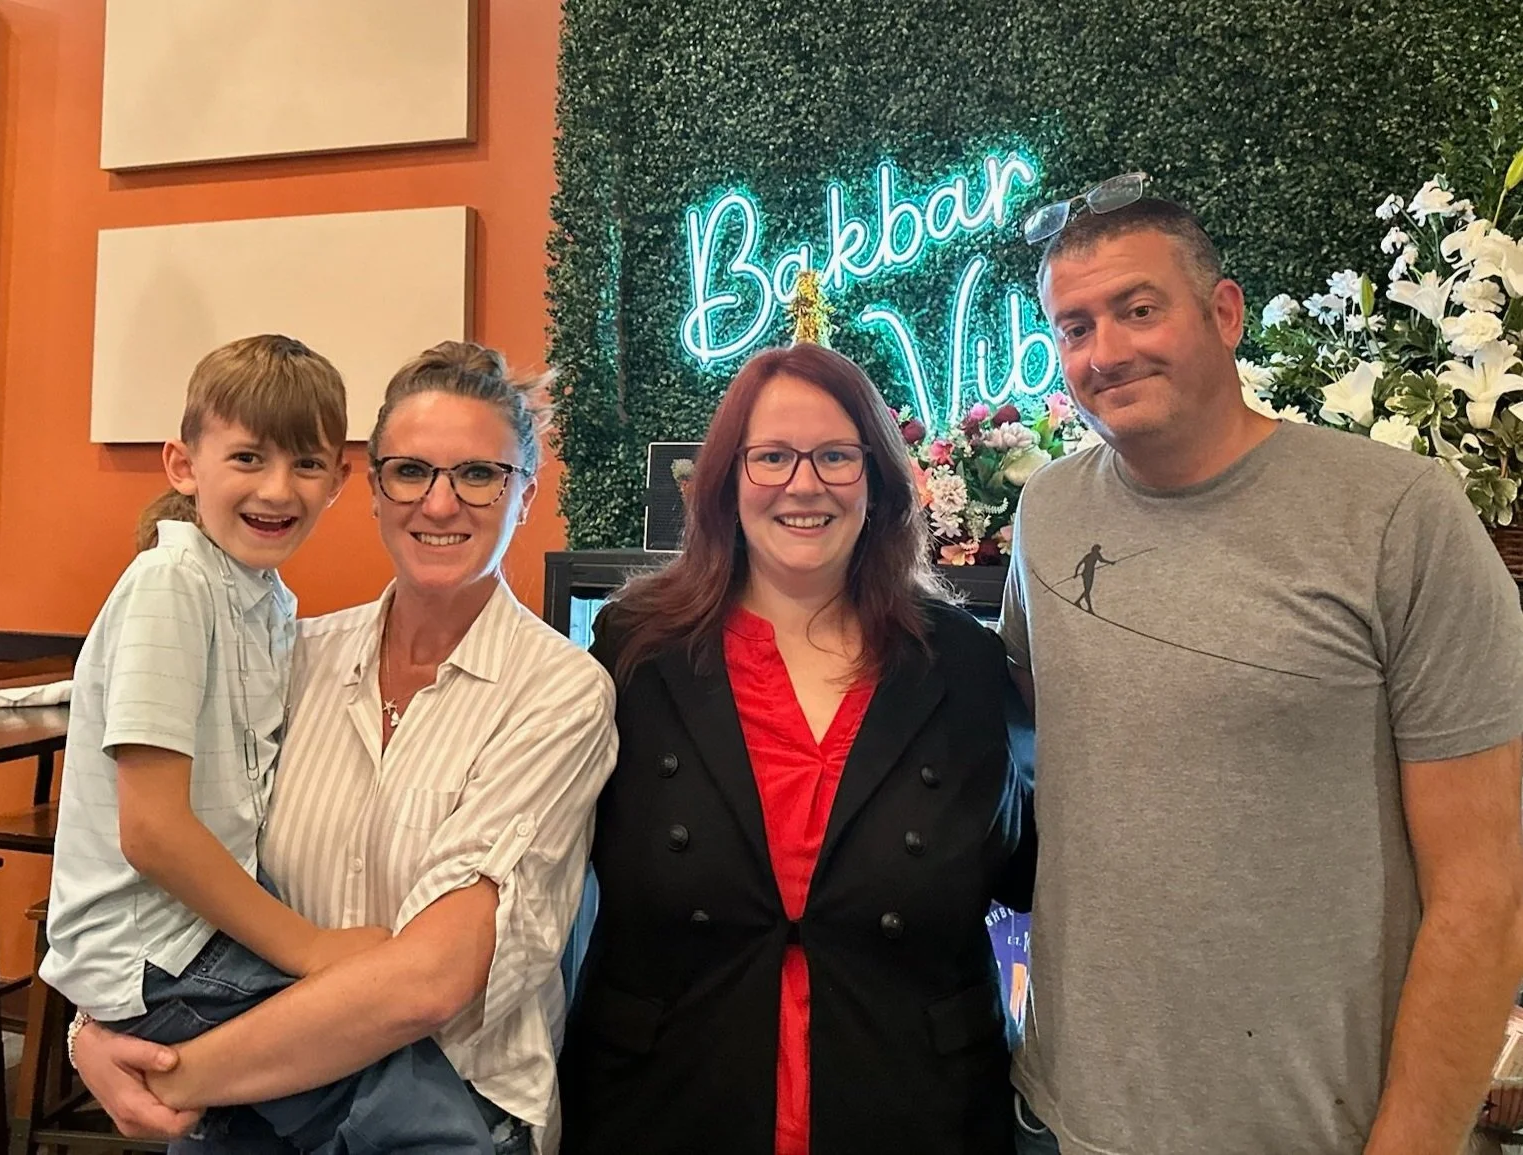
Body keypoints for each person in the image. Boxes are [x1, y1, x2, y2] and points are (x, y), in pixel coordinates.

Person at [1001, 188, 1523, 1155]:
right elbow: (1060, 737)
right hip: (1073, 1112)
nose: (1105, 351)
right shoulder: (1047, 514)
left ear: (1225, 312)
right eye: (1074, 326)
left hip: (1315, 1124)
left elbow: (1483, 892)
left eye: (1138, 308)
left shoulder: (1397, 516)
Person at [67, 341, 619, 1155]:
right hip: (249, 1100)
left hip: (445, 1098)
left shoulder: (558, 691)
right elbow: (177, 842)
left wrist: (165, 1070)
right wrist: (95, 1021)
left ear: (524, 493)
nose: (440, 504)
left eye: (478, 475)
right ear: (369, 488)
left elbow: (429, 981)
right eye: (411, 472)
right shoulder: (296, 653)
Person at [559, 343, 1035, 1155]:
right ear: (725, 479)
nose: (803, 483)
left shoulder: (963, 662)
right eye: (772, 456)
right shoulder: (635, 649)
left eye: (836, 456)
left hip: (913, 1104)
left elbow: (1028, 868)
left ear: (879, 480)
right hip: (664, 1102)